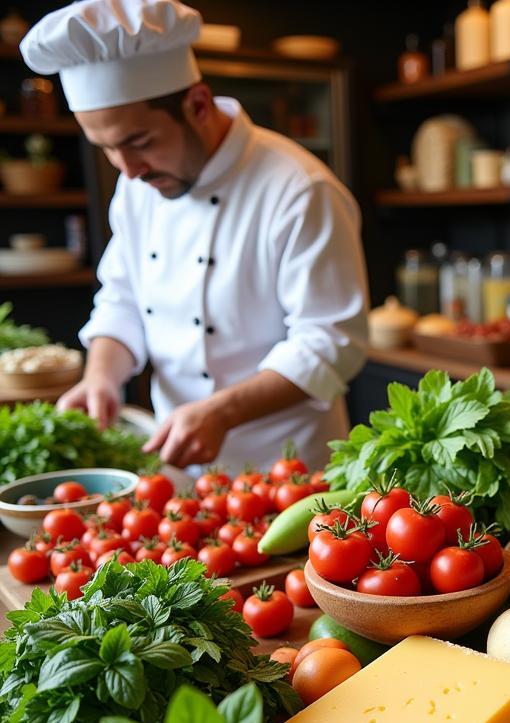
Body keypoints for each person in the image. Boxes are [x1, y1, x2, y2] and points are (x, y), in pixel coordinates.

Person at [21, 0, 368, 473]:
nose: (128, 170)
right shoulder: (137, 185)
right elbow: (122, 299)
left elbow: (331, 342)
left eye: (140, 142)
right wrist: (101, 377)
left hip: (288, 473)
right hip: (177, 472)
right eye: (107, 149)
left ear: (198, 105)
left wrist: (221, 412)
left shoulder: (300, 189)